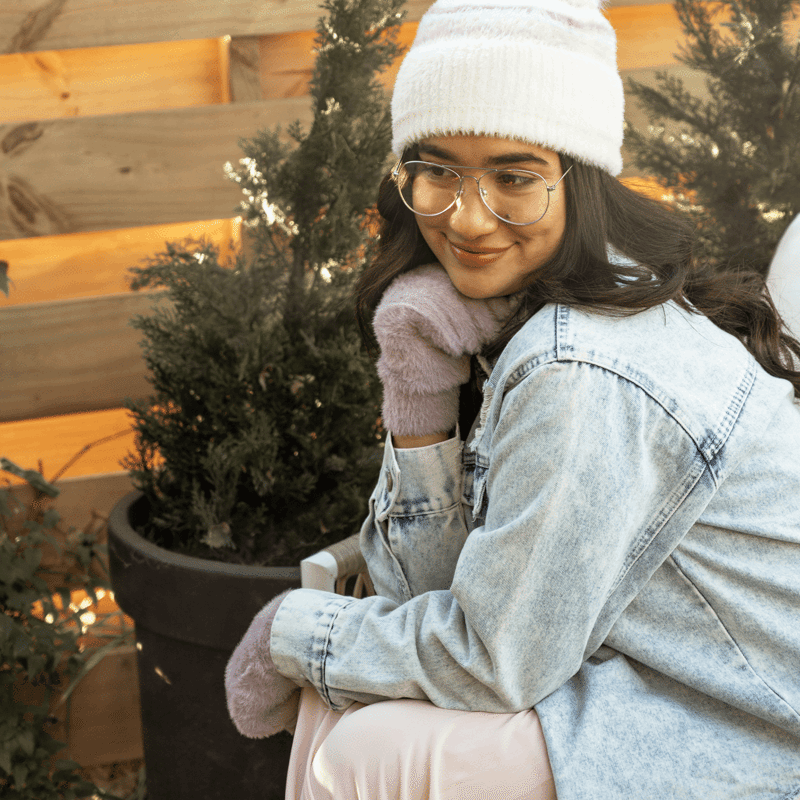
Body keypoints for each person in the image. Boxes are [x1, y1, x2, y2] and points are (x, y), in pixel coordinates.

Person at [225, 0, 800, 796]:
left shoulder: (583, 369)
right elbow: (434, 595)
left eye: (514, 177)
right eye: (438, 171)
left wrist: (293, 632)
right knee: (365, 712)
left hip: (757, 724)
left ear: (581, 177)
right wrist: (418, 385)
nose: (468, 218)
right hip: (671, 678)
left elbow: (491, 661)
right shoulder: (540, 313)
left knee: (367, 746)